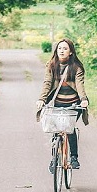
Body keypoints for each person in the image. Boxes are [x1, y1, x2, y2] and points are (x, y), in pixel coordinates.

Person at [36, 38, 89, 170]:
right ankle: (54, 159)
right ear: (56, 50)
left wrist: (83, 99)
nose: (62, 51)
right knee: (56, 129)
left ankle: (74, 157)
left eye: (65, 48)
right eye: (59, 48)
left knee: (68, 128)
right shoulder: (51, 65)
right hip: (57, 103)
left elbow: (79, 84)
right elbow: (47, 83)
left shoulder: (76, 67)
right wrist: (42, 99)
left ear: (70, 52)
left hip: (73, 104)